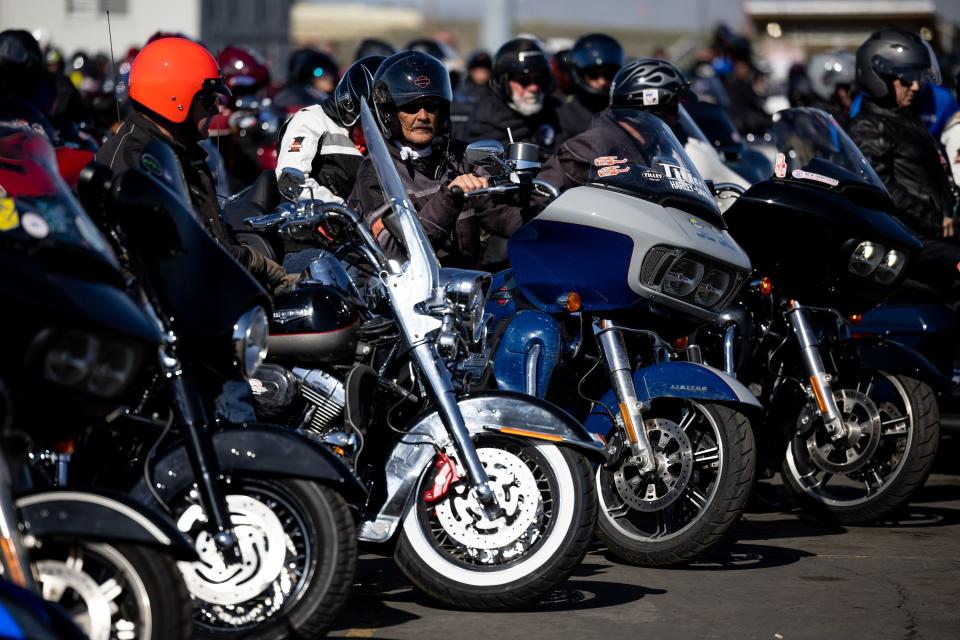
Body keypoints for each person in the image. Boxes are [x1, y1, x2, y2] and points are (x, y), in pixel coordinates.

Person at [96, 36, 297, 295]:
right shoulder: (137, 162)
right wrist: (254, 263)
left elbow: (211, 235)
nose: (215, 109)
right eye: (207, 99)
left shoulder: (179, 151)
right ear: (174, 98)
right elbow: (180, 249)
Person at [349, 50, 532, 269]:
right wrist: (450, 197)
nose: (423, 116)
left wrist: (534, 209)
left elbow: (501, 217)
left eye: (432, 106)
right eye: (411, 107)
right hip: (405, 295)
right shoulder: (376, 170)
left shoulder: (459, 157)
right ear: (390, 113)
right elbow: (393, 249)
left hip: (465, 290)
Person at [848, 28, 959, 294]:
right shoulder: (869, 128)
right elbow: (882, 189)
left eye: (918, 77)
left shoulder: (902, 118)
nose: (917, 86)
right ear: (880, 78)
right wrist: (935, 218)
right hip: (910, 240)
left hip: (935, 232)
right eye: (907, 78)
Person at [538, 58, 692, 192]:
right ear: (649, 111)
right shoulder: (594, 146)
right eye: (673, 109)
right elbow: (541, 198)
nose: (677, 117)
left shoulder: (656, 148)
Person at [275, 55, 384, 202]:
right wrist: (346, 211)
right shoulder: (310, 120)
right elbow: (291, 182)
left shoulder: (388, 133)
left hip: (374, 221)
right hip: (316, 221)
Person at [458, 37, 561, 156]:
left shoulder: (555, 110)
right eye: (524, 81)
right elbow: (484, 168)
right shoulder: (485, 119)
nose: (534, 88)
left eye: (538, 79)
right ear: (503, 82)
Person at [556, 33, 624, 143]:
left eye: (609, 74)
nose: (602, 81)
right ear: (579, 74)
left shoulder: (624, 113)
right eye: (593, 74)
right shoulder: (562, 115)